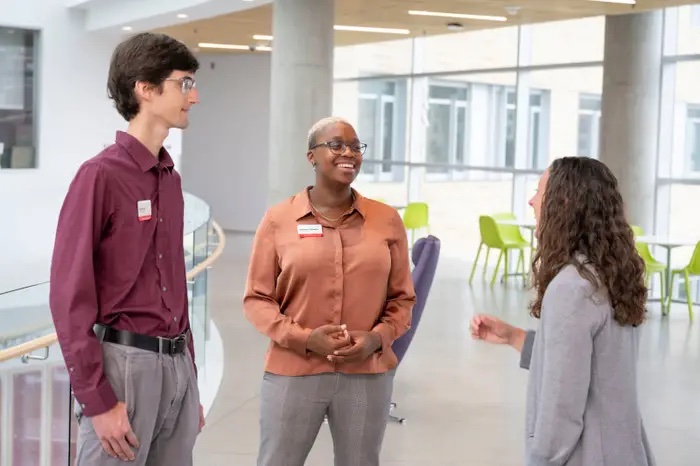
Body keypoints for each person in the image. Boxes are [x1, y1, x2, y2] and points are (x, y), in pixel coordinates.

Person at [49, 32, 204, 465]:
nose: (194, 97)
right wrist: (97, 400)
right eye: (185, 84)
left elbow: (175, 285)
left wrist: (187, 384)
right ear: (146, 88)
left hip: (176, 371)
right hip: (124, 368)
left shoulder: (170, 180)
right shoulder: (98, 176)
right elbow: (68, 297)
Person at [243, 116, 416, 466]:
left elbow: (403, 299)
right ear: (312, 156)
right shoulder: (278, 220)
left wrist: (375, 339)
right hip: (294, 369)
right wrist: (305, 339)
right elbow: (257, 300)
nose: (348, 153)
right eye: (336, 145)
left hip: (366, 373)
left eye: (355, 146)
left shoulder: (386, 220)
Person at [470, 156, 656, 466]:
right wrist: (513, 336)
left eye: (539, 191)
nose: (531, 201)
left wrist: (540, 459)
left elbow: (562, 404)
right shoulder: (608, 274)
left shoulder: (571, 287)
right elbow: (591, 364)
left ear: (564, 202)